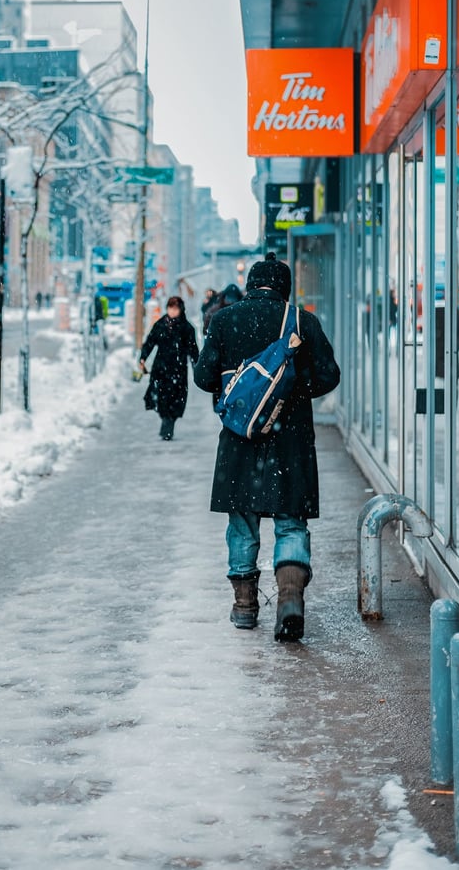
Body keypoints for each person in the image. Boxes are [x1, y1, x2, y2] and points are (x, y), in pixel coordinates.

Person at [194, 251, 340, 642]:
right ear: (285, 286)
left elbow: (204, 377)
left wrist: (242, 388)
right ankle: (290, 596)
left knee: (242, 523)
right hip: (290, 439)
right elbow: (329, 376)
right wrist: (290, 390)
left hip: (241, 439)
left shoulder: (224, 319)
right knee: (291, 520)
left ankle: (244, 606)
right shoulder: (301, 321)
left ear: (251, 284)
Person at [139, 295, 199, 441]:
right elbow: (150, 341)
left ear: (181, 310)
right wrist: (143, 357)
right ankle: (166, 420)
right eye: (170, 308)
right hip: (161, 367)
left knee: (176, 399)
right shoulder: (160, 324)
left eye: (175, 308)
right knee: (160, 397)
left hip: (178, 369)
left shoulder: (187, 328)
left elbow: (193, 350)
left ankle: (168, 424)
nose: (172, 311)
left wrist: (197, 367)